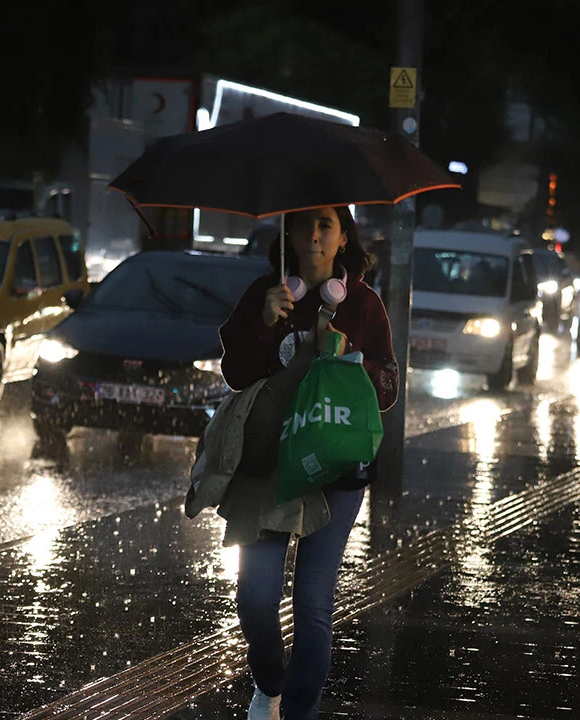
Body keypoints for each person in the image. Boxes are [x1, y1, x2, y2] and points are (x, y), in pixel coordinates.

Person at [218, 205, 398, 720]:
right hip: (268, 467)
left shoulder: (362, 305)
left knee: (314, 607)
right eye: (305, 225)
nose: (315, 235)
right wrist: (262, 323)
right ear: (289, 234)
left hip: (334, 472)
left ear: (343, 238)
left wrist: (353, 363)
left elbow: (387, 386)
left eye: (326, 226)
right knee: (255, 598)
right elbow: (235, 373)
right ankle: (269, 683)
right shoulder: (267, 293)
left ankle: (300, 714)